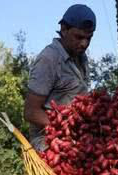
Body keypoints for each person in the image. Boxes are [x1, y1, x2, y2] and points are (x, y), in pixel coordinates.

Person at [24, 4, 96, 151]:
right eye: (79, 37)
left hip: (76, 139)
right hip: (48, 142)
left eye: (89, 38)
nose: (84, 43)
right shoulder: (49, 59)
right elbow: (31, 112)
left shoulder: (81, 58)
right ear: (64, 29)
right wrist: (66, 127)